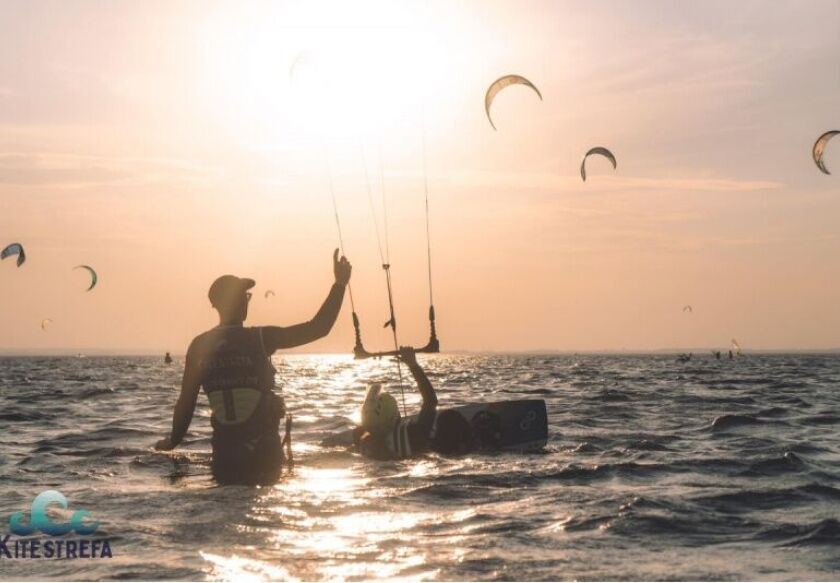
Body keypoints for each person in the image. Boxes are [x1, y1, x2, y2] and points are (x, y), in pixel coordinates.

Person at [154, 249, 352, 485]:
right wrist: (340, 284)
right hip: (263, 455)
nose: (247, 302)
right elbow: (318, 328)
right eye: (244, 297)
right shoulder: (259, 338)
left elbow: (186, 404)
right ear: (234, 302)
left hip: (225, 457)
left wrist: (171, 443)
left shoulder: (199, 346)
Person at [354, 346, 437, 460]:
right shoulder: (414, 434)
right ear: (395, 415)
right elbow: (430, 400)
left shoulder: (360, 439)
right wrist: (413, 364)